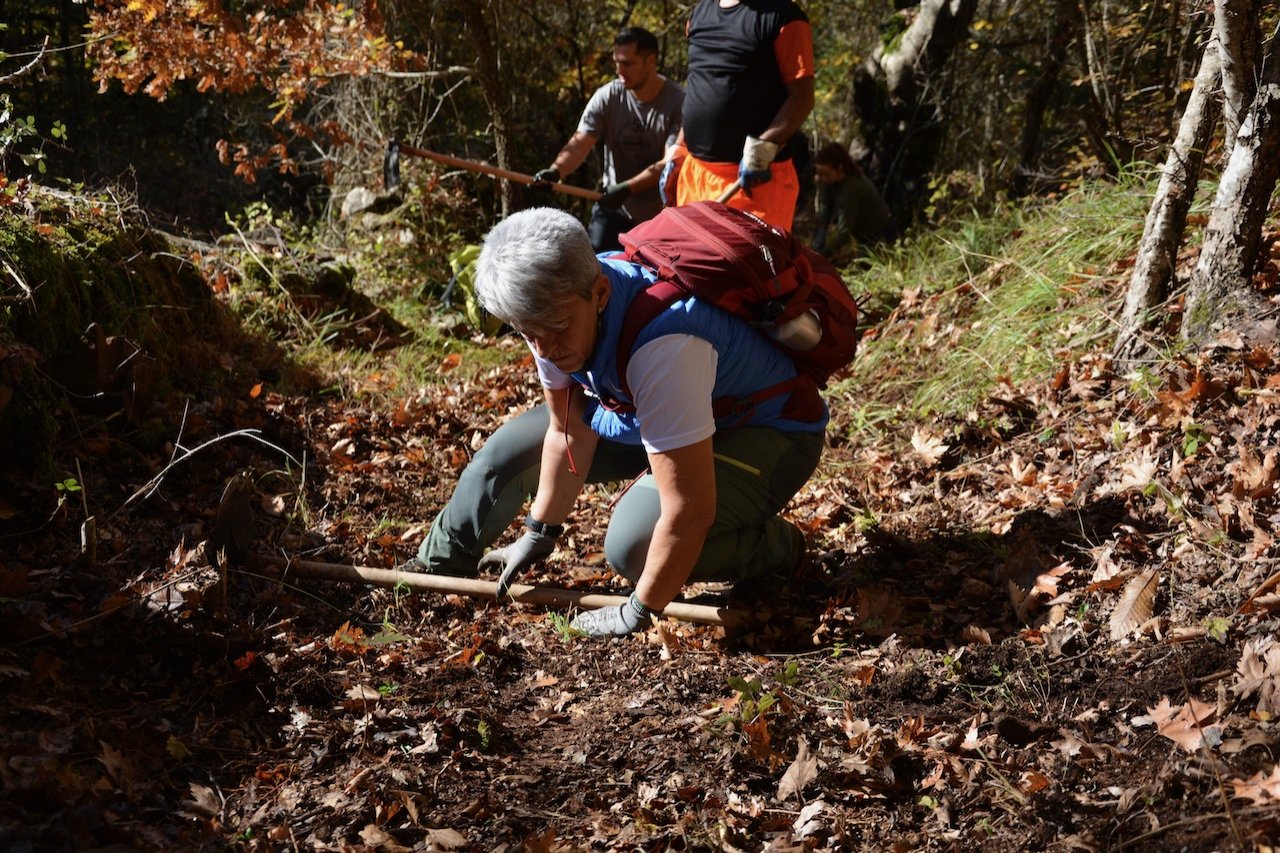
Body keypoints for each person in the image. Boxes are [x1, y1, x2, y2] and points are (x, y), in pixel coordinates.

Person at [405, 208, 826, 637]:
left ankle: (778, 549)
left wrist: (639, 610)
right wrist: (539, 532)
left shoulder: (664, 345)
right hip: (657, 412)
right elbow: (567, 430)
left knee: (635, 545)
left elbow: (689, 512)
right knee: (506, 457)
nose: (546, 350)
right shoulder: (551, 308)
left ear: (600, 293)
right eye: (530, 334)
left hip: (768, 434)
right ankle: (437, 565)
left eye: (557, 329)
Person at [533, 27, 684, 253]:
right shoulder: (608, 96)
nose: (619, 71)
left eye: (628, 63)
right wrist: (556, 172)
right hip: (614, 208)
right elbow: (580, 143)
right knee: (594, 264)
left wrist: (626, 188)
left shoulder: (678, 102)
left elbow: (668, 164)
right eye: (616, 62)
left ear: (651, 61)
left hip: (660, 216)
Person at [668, 0, 814, 231]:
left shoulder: (784, 17)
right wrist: (679, 148)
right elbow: (700, 86)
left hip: (754, 183)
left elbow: (802, 97)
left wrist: (766, 145)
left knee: (752, 265)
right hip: (696, 174)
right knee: (692, 264)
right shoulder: (699, 15)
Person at [812, 141, 895, 261]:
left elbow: (843, 233)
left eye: (826, 174)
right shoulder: (829, 181)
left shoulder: (850, 189)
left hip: (879, 234)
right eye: (819, 174)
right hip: (862, 234)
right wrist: (821, 233)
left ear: (840, 169)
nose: (822, 178)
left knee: (865, 268)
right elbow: (826, 205)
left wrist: (820, 256)